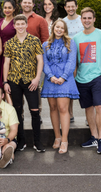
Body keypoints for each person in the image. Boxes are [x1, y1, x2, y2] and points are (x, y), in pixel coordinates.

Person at [74, 7, 101, 154]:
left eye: (89, 18)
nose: (87, 20)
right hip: (81, 79)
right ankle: (94, 137)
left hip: (97, 78)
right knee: (88, 108)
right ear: (81, 20)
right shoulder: (76, 38)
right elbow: (75, 61)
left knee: (100, 107)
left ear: (94, 19)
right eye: (84, 18)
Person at [3, 14, 45, 152]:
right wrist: (5, 82)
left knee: (34, 111)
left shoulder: (34, 41)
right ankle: (21, 141)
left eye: (23, 24)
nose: (20, 26)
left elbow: (40, 60)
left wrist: (37, 77)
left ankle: (37, 142)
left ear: (26, 25)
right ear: (14, 26)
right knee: (17, 111)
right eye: (18, 24)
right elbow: (6, 63)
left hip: (30, 81)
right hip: (14, 81)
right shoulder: (9, 43)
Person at [41, 19, 79, 154]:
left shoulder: (70, 43)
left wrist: (63, 77)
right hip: (50, 79)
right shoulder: (45, 44)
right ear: (53, 28)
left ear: (65, 30)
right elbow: (44, 62)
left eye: (62, 28)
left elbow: (71, 61)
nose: (59, 30)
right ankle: (57, 136)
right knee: (53, 107)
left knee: (63, 108)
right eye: (57, 27)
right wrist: (51, 76)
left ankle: (64, 140)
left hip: (65, 78)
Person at [62, 0, 84, 123]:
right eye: (68, 6)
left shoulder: (83, 20)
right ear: (65, 8)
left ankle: (89, 115)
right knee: (69, 85)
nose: (70, 8)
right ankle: (70, 113)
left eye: (72, 6)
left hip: (83, 57)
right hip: (69, 58)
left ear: (76, 7)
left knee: (85, 85)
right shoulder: (63, 22)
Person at [0, 0, 20, 105]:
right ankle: (2, 111)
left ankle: (14, 111)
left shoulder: (16, 21)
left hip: (11, 56)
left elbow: (21, 37)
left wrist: (11, 44)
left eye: (10, 8)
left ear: (14, 9)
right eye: (5, 7)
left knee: (10, 85)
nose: (7, 10)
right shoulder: (0, 20)